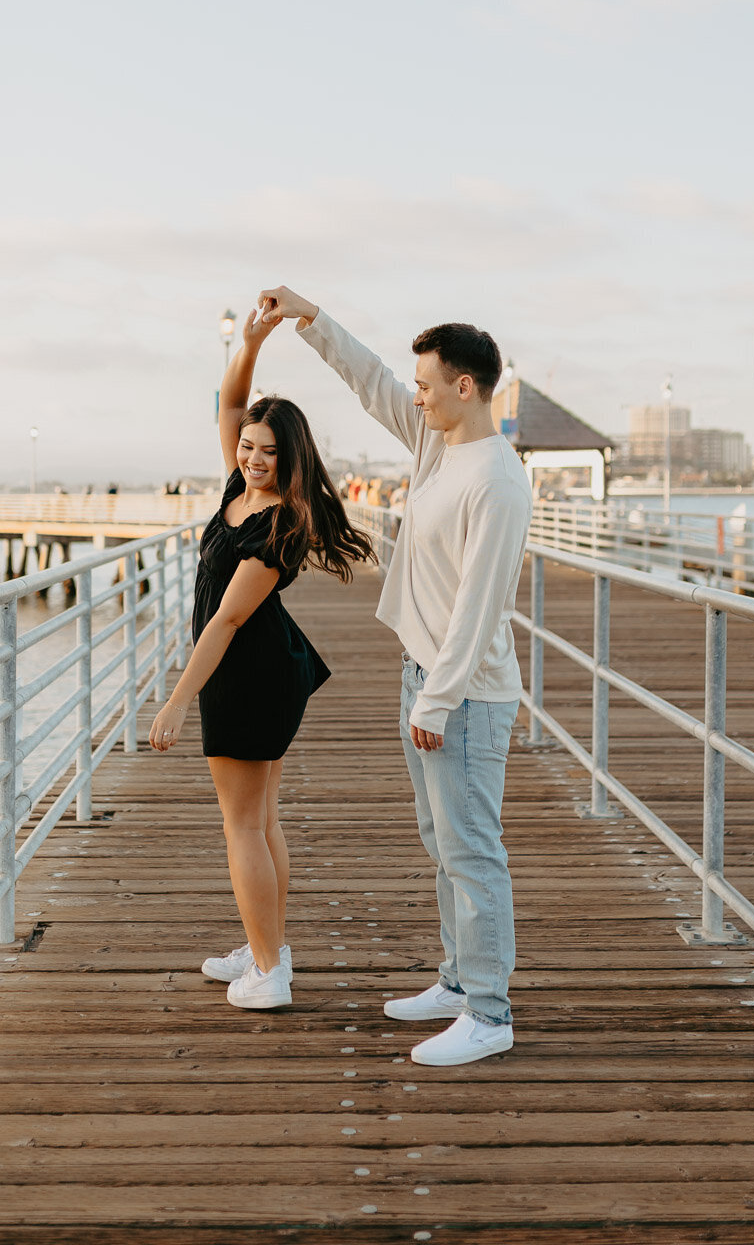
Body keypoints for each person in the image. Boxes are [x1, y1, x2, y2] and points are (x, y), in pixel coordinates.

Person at [259, 286, 532, 1066]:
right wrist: (309, 321)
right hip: (424, 675)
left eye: (426, 384)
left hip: (466, 695)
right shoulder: (436, 443)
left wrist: (439, 700)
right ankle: (454, 980)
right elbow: (372, 379)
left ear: (465, 386)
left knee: (472, 850)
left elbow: (479, 609)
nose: (413, 395)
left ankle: (488, 1012)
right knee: (440, 840)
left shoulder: (498, 481)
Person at [148, 303, 373, 1011]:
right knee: (261, 818)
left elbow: (227, 618)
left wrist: (178, 699)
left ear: (291, 456)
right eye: (247, 447)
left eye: (267, 450)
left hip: (247, 673)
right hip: (261, 668)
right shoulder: (240, 494)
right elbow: (232, 404)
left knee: (242, 823)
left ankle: (270, 972)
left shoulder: (279, 522)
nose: (251, 456)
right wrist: (248, 344)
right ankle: (264, 941)